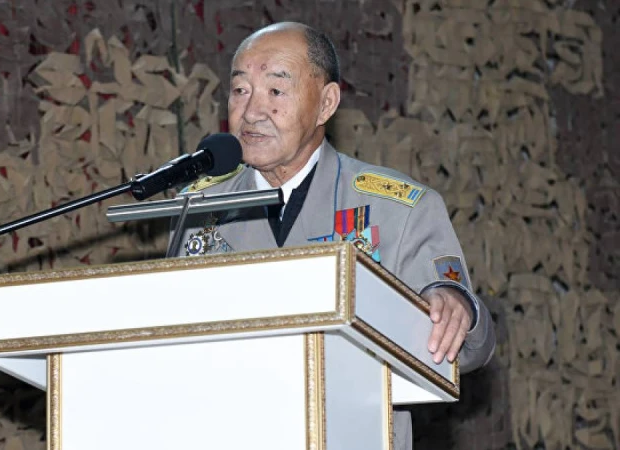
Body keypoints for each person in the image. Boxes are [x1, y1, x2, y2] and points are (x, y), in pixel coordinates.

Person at [174, 22, 496, 449]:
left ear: (326, 103)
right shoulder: (197, 208)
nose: (251, 112)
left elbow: (468, 351)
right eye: (240, 91)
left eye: (276, 91)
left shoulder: (397, 209)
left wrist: (457, 307)